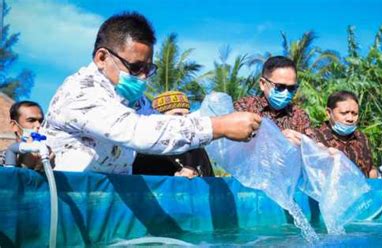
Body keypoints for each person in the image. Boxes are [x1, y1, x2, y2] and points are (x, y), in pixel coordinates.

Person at [42, 12, 261, 174]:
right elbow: (140, 132)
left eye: (148, 68)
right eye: (136, 67)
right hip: (65, 207)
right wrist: (219, 126)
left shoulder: (133, 101)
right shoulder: (80, 94)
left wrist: (224, 119)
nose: (144, 77)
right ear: (101, 58)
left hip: (106, 209)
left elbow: (163, 125)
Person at [312, 90, 382, 192]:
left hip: (362, 201)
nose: (350, 118)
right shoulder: (315, 139)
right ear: (328, 113)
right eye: (344, 113)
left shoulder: (361, 138)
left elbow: (370, 171)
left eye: (354, 114)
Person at [234, 56, 313, 146]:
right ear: (263, 84)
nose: (286, 93)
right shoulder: (244, 107)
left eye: (291, 88)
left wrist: (302, 144)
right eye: (280, 87)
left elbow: (314, 148)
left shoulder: (299, 116)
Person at [133, 91, 214, 178]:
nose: (184, 120)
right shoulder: (146, 149)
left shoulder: (197, 148)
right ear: (159, 118)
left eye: (187, 115)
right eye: (178, 114)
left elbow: (210, 180)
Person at [0, 101, 55, 169]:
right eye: (31, 120)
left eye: (41, 121)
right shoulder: (3, 158)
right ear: (14, 126)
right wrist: (24, 167)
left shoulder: (48, 153)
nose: (38, 125)